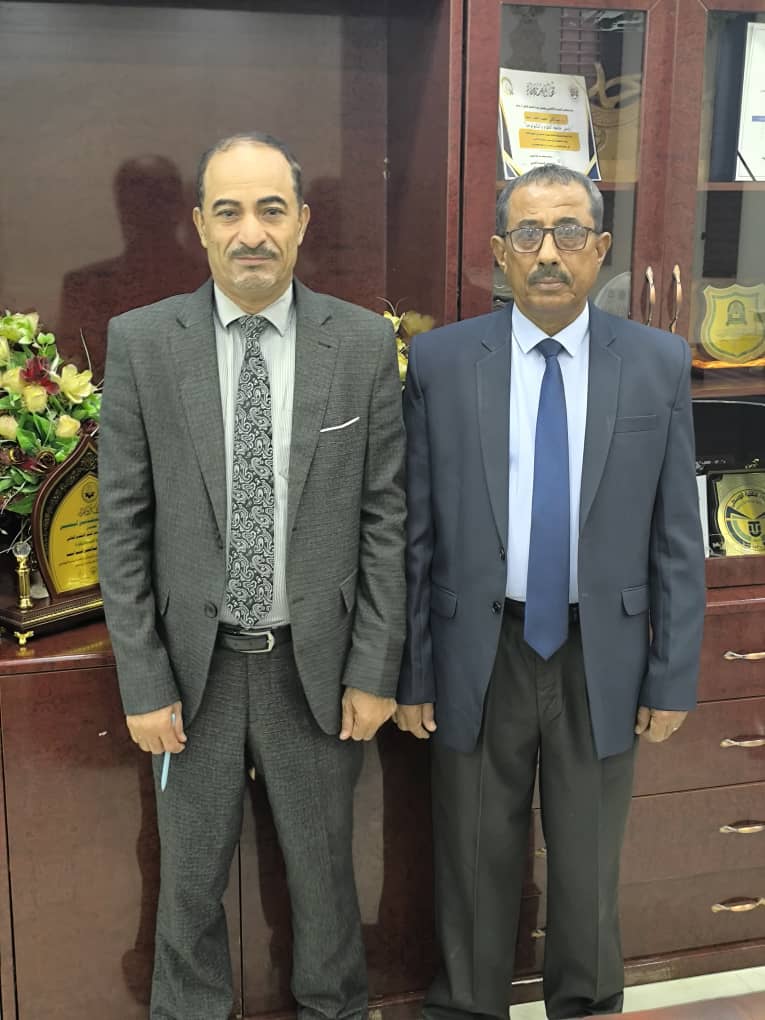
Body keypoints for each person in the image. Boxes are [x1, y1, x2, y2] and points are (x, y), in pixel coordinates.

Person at [98, 132, 406, 1020]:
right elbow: (122, 528)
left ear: (301, 221)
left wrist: (373, 668)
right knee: (188, 886)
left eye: (271, 210)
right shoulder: (144, 343)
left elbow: (385, 521)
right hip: (192, 674)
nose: (251, 232)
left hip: (316, 671)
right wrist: (144, 679)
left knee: (325, 882)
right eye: (228, 211)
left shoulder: (360, 343)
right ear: (199, 225)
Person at [395, 164, 705, 1020]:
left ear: (600, 249)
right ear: (498, 251)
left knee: (587, 865)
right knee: (472, 859)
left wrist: (672, 676)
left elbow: (677, 536)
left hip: (600, 655)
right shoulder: (442, 362)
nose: (547, 254)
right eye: (526, 234)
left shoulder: (655, 363)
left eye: (568, 233)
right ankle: (467, 1007)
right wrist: (411, 670)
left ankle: (586, 1004)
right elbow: (413, 531)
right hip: (476, 649)